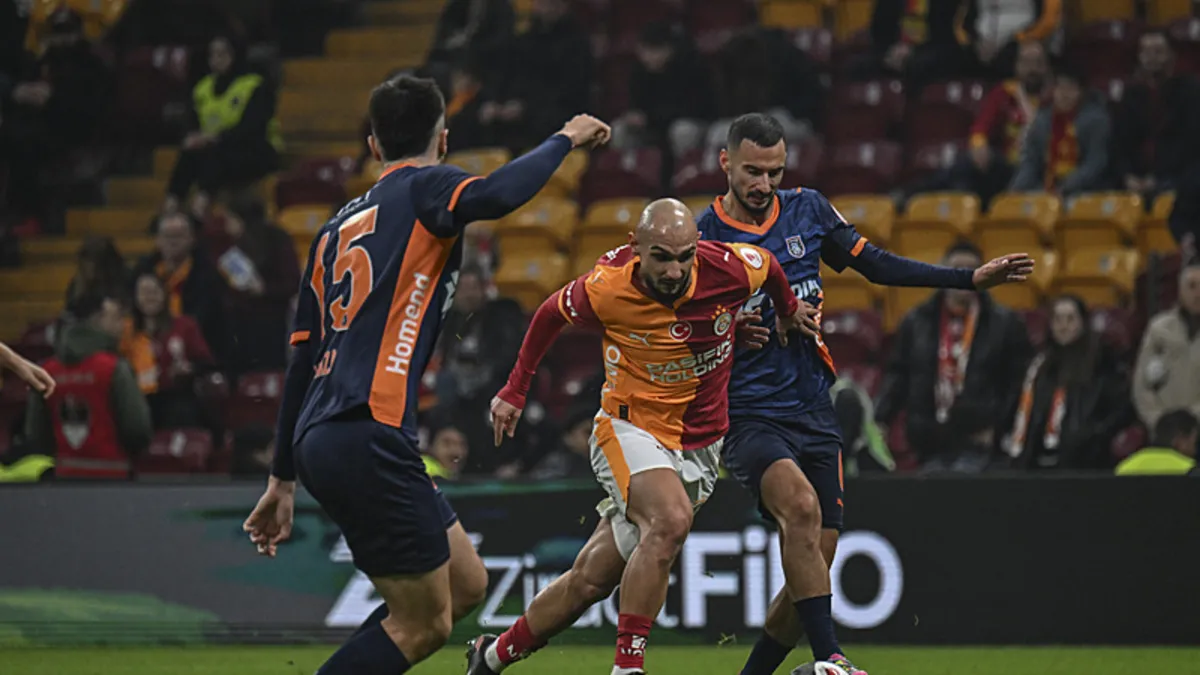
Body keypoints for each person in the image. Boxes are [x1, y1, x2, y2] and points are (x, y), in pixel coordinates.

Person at [241, 73, 610, 675]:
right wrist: (564, 138)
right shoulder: (423, 188)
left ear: (372, 145)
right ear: (443, 140)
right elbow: (496, 195)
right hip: (367, 429)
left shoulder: (330, 232)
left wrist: (281, 478)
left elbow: (301, 363)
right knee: (423, 624)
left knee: (466, 584)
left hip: (324, 434)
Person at [694, 113, 1034, 675]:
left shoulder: (808, 210)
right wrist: (733, 329)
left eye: (775, 172)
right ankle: (832, 659)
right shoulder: (703, 238)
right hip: (748, 413)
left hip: (813, 408)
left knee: (811, 571)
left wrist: (967, 279)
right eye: (752, 171)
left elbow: (876, 265)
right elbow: (679, 330)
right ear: (725, 162)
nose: (764, 184)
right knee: (800, 509)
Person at [469, 199, 809, 675]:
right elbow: (549, 313)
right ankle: (628, 668)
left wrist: (787, 311)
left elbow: (770, 266)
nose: (674, 270)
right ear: (636, 248)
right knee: (670, 520)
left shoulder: (730, 268)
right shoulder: (607, 286)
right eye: (661, 257)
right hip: (629, 426)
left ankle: (491, 656)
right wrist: (515, 388)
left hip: (700, 444)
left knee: (590, 581)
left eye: (685, 257)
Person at [877, 241, 1033, 473]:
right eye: (957, 268)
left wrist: (999, 429)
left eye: (971, 269)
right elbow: (898, 375)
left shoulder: (1005, 324)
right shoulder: (917, 321)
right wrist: (881, 419)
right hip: (929, 438)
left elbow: (1016, 385)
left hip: (979, 439)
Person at [24, 292, 152, 479]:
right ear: (97, 320)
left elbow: (36, 434)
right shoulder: (114, 369)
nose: (122, 325)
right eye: (116, 317)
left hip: (63, 477)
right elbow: (137, 430)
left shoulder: (46, 371)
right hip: (114, 477)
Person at [1005, 295, 1132, 470]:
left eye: (1070, 319)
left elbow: (1121, 410)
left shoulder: (1103, 362)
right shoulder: (1039, 365)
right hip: (1037, 460)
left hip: (1084, 461)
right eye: (1058, 320)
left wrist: (1093, 435)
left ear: (1083, 323)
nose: (1063, 326)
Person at [164, 35, 282, 218]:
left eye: (222, 54)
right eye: (212, 54)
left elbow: (252, 128)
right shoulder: (203, 88)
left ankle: (199, 209)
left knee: (217, 156)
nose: (216, 60)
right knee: (189, 155)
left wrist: (215, 138)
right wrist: (193, 137)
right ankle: (171, 206)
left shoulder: (255, 85)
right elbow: (192, 123)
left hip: (256, 149)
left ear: (235, 55)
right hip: (216, 149)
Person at [120, 273, 214, 428]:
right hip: (139, 402)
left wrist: (189, 368)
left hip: (177, 399)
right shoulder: (127, 332)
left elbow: (206, 362)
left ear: (164, 294)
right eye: (144, 292)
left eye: (154, 291)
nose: (149, 297)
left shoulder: (185, 325)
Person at [1009, 64, 1111, 197]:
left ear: (1081, 92)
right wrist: (1015, 190)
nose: (1064, 94)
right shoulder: (1042, 121)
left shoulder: (1096, 121)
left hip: (1086, 191)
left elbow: (1095, 164)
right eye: (1060, 88)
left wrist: (1065, 187)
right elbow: (1031, 163)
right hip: (1046, 189)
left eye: (1070, 88)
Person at [1132, 260, 1200, 428]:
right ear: (1180, 290)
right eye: (1192, 286)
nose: (1198, 293)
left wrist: (1190, 423)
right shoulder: (1158, 328)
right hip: (1162, 427)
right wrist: (1158, 420)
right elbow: (1141, 385)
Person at [1115, 409, 1197, 476]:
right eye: (1194, 440)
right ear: (1180, 439)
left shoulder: (1125, 466)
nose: (1194, 449)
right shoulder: (1190, 470)